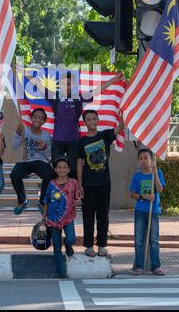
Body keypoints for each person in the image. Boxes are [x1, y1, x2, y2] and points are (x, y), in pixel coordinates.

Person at [25, 70, 124, 178]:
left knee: (73, 172)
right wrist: (25, 73)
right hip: (58, 141)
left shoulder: (79, 99)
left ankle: (74, 193)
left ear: (73, 85)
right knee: (56, 171)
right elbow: (39, 85)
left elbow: (97, 90)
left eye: (68, 84)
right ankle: (57, 194)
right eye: (63, 84)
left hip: (74, 141)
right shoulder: (55, 97)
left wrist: (114, 79)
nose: (66, 86)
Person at [77, 109, 124, 258]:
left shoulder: (105, 135)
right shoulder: (82, 141)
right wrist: (79, 183)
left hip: (104, 182)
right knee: (88, 215)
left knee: (103, 214)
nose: (91, 121)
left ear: (98, 120)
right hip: (88, 184)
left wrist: (121, 116)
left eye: (93, 119)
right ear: (85, 123)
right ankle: (89, 246)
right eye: (88, 119)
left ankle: (102, 245)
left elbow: (120, 127)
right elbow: (79, 162)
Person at [42, 156, 82, 278]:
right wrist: (44, 217)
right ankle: (61, 272)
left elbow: (78, 198)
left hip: (68, 218)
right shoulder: (51, 184)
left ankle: (68, 245)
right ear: (55, 169)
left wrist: (78, 201)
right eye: (59, 167)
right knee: (57, 247)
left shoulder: (73, 183)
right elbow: (46, 201)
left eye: (65, 167)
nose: (62, 169)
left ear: (69, 169)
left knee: (72, 239)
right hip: (53, 220)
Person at [129, 148, 166, 276]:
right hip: (140, 210)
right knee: (139, 239)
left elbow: (160, 189)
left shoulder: (158, 173)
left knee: (154, 239)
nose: (143, 161)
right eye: (141, 158)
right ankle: (139, 266)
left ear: (151, 160)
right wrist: (143, 196)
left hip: (154, 211)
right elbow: (132, 194)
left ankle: (156, 266)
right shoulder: (137, 176)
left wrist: (155, 174)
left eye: (146, 158)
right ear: (138, 161)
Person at [11, 108, 54, 215]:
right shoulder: (24, 131)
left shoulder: (46, 135)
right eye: (35, 117)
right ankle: (22, 201)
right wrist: (17, 132)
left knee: (49, 174)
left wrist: (44, 148)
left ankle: (42, 201)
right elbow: (14, 145)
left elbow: (48, 155)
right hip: (25, 161)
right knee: (14, 175)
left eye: (41, 118)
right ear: (31, 118)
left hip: (40, 161)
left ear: (44, 121)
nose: (37, 119)